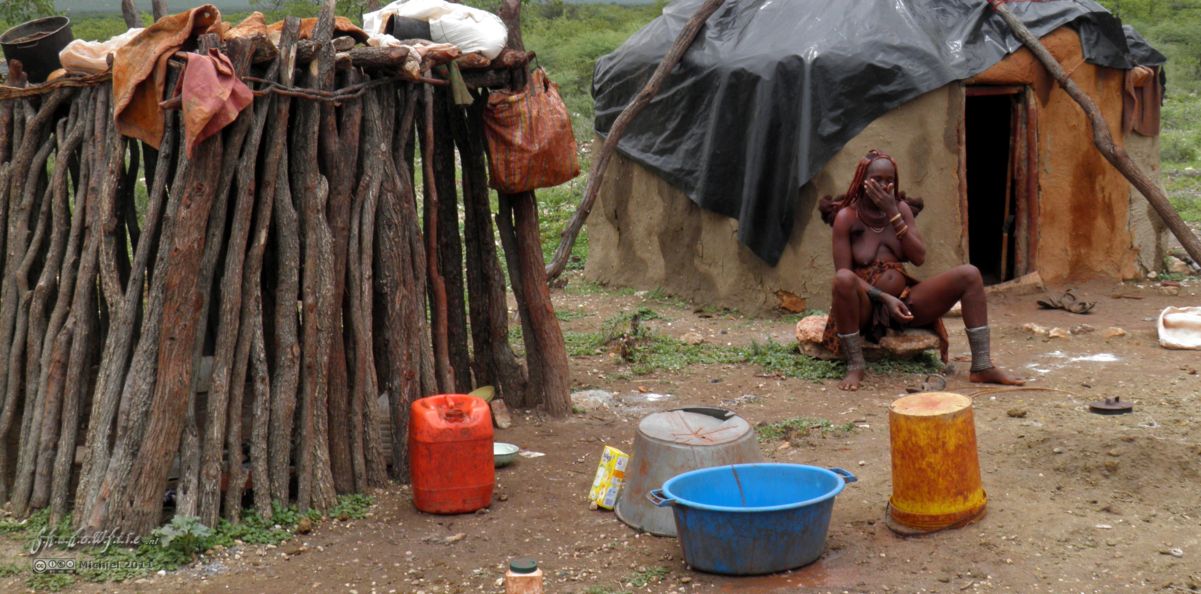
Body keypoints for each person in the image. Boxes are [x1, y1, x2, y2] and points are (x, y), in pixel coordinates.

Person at [818, 149, 1024, 391]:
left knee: (969, 274)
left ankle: (981, 365)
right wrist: (884, 298)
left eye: (890, 180)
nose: (885, 185)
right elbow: (845, 275)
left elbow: (919, 258)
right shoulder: (847, 217)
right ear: (863, 180)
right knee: (842, 279)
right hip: (865, 306)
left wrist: (893, 212)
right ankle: (855, 365)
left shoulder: (901, 210)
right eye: (878, 179)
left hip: (904, 302)